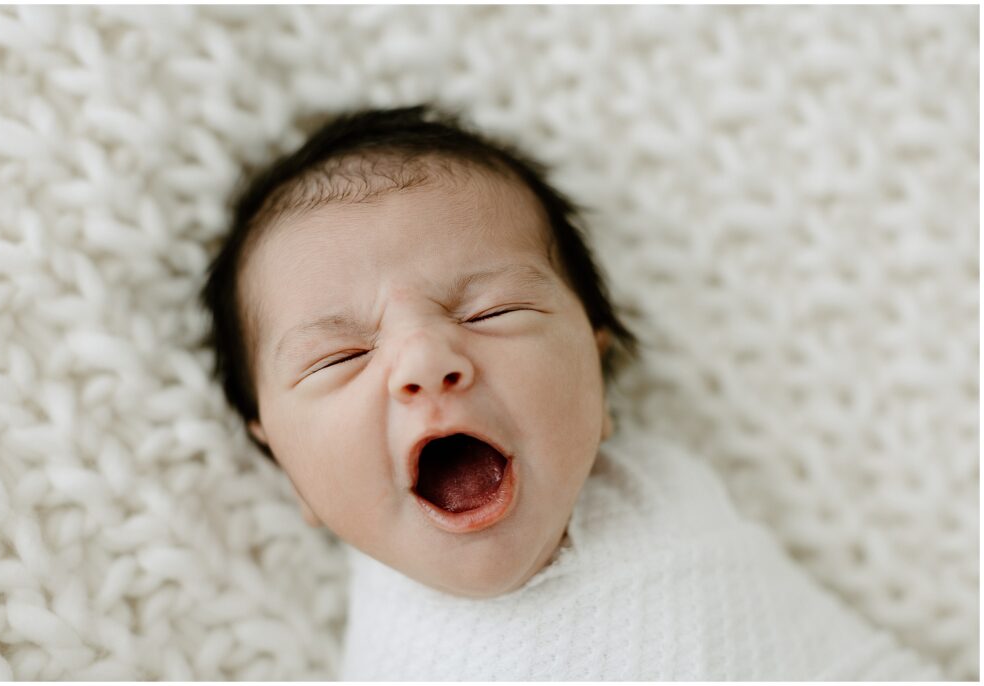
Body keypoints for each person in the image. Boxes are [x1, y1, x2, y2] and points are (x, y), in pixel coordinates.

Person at [200, 104, 942, 679]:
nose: (423, 360)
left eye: (492, 312)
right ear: (288, 469)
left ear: (598, 374)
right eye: (341, 357)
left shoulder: (678, 509)